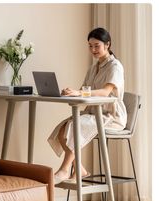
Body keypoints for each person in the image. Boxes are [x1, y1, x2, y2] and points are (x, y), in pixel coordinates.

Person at [48, 27, 127, 183]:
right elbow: (85, 90)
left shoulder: (115, 66)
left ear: (107, 45)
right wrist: (72, 91)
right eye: (90, 46)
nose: (93, 49)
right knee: (62, 130)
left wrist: (80, 93)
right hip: (92, 112)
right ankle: (80, 170)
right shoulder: (92, 68)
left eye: (97, 45)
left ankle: (64, 169)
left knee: (75, 127)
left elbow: (105, 92)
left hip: (110, 116)